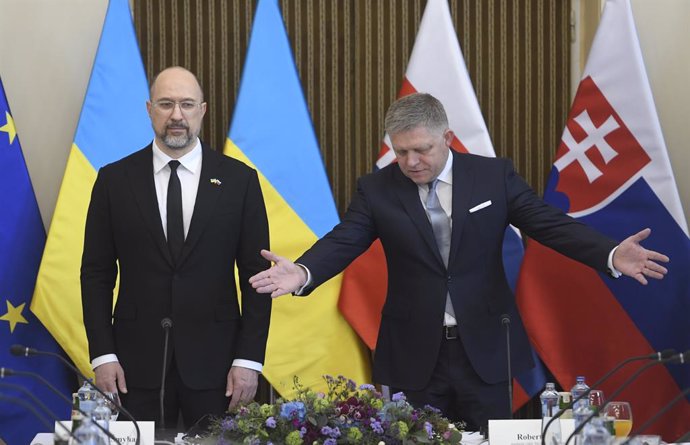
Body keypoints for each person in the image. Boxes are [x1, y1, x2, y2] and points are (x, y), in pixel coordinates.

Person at [248, 93, 668, 431]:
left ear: (447, 137)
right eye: (401, 152)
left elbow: (548, 225)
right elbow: (346, 239)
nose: (411, 162)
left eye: (421, 150)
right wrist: (304, 271)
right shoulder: (377, 190)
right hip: (414, 353)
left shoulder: (492, 177)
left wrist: (610, 253)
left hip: (485, 348)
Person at [81, 66, 271, 429]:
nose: (176, 116)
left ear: (203, 110)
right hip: (133, 365)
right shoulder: (113, 180)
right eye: (166, 104)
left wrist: (249, 360)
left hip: (218, 365)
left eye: (186, 104)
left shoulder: (239, 181)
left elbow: (256, 277)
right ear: (150, 109)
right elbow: (96, 274)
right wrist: (102, 354)